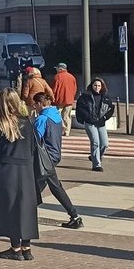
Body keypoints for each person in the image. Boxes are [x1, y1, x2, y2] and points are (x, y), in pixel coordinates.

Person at [0, 89, 40, 261]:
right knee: (26, 208)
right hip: (26, 169)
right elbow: (34, 148)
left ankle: (15, 248)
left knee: (10, 209)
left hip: (6, 171)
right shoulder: (28, 123)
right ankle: (26, 247)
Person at [32, 93, 83, 229]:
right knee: (47, 185)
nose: (34, 106)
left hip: (44, 157)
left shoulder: (42, 119)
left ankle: (74, 216)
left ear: (40, 104)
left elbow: (35, 140)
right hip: (54, 155)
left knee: (42, 185)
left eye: (35, 104)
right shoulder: (56, 116)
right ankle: (74, 215)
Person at [75, 78, 114, 172]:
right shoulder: (85, 96)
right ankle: (96, 165)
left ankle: (95, 156)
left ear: (102, 87)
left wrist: (105, 118)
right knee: (95, 142)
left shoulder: (105, 97)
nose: (97, 87)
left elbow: (111, 108)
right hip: (90, 122)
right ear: (92, 86)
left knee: (105, 144)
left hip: (101, 123)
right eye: (95, 85)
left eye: (99, 86)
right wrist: (88, 118)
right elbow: (80, 108)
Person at [51, 63, 77, 136]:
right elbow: (75, 89)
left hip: (59, 100)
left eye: (57, 68)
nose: (56, 70)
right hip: (69, 100)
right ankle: (67, 131)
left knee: (57, 114)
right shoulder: (72, 77)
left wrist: (52, 98)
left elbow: (54, 89)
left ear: (60, 69)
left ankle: (62, 128)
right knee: (67, 116)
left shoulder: (57, 76)